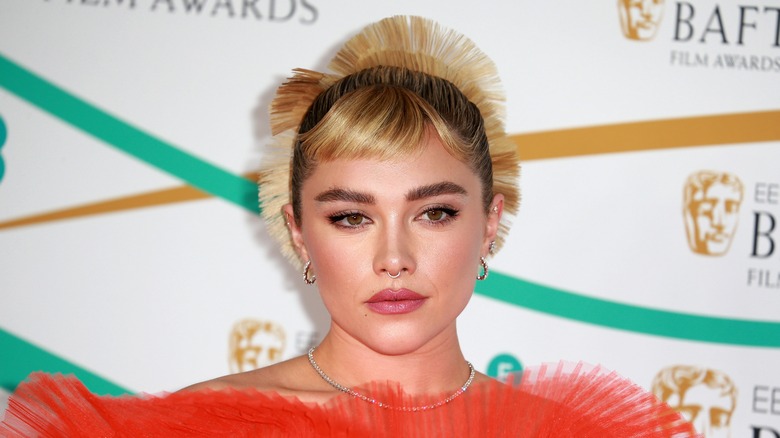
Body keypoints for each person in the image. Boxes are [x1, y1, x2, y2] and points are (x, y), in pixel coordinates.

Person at [1, 16, 698, 437]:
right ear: (300, 234)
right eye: (351, 217)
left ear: (491, 224)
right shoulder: (205, 427)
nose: (394, 256)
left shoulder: (569, 434)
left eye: (434, 213)